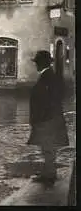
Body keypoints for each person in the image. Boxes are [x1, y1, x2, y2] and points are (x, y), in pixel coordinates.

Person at [28, 50, 69, 185]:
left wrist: (40, 117)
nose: (36, 66)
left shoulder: (47, 77)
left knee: (48, 147)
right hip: (51, 118)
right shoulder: (52, 75)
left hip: (47, 120)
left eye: (37, 63)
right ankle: (48, 172)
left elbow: (47, 98)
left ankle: (49, 175)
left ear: (41, 63)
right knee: (48, 147)